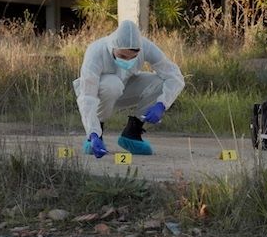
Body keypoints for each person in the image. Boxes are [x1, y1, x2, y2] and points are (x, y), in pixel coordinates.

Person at [73, 20, 185, 157]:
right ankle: (98, 134)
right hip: (100, 93)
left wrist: (162, 104)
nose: (127, 60)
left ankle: (132, 133)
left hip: (125, 88)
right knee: (112, 84)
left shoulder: (146, 46)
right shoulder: (96, 51)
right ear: (113, 47)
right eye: (122, 56)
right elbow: (87, 96)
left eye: (133, 57)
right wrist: (93, 133)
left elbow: (174, 76)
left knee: (160, 82)